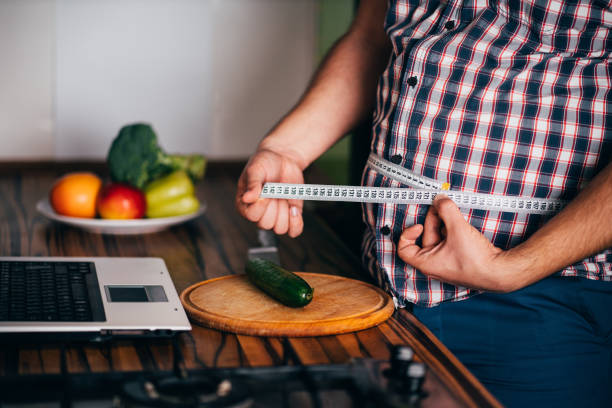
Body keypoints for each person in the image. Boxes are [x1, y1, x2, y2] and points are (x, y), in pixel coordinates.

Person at [236, 1, 612, 406]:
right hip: (378, 289)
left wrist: (515, 267)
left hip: (542, 305)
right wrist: (287, 149)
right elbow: (372, 38)